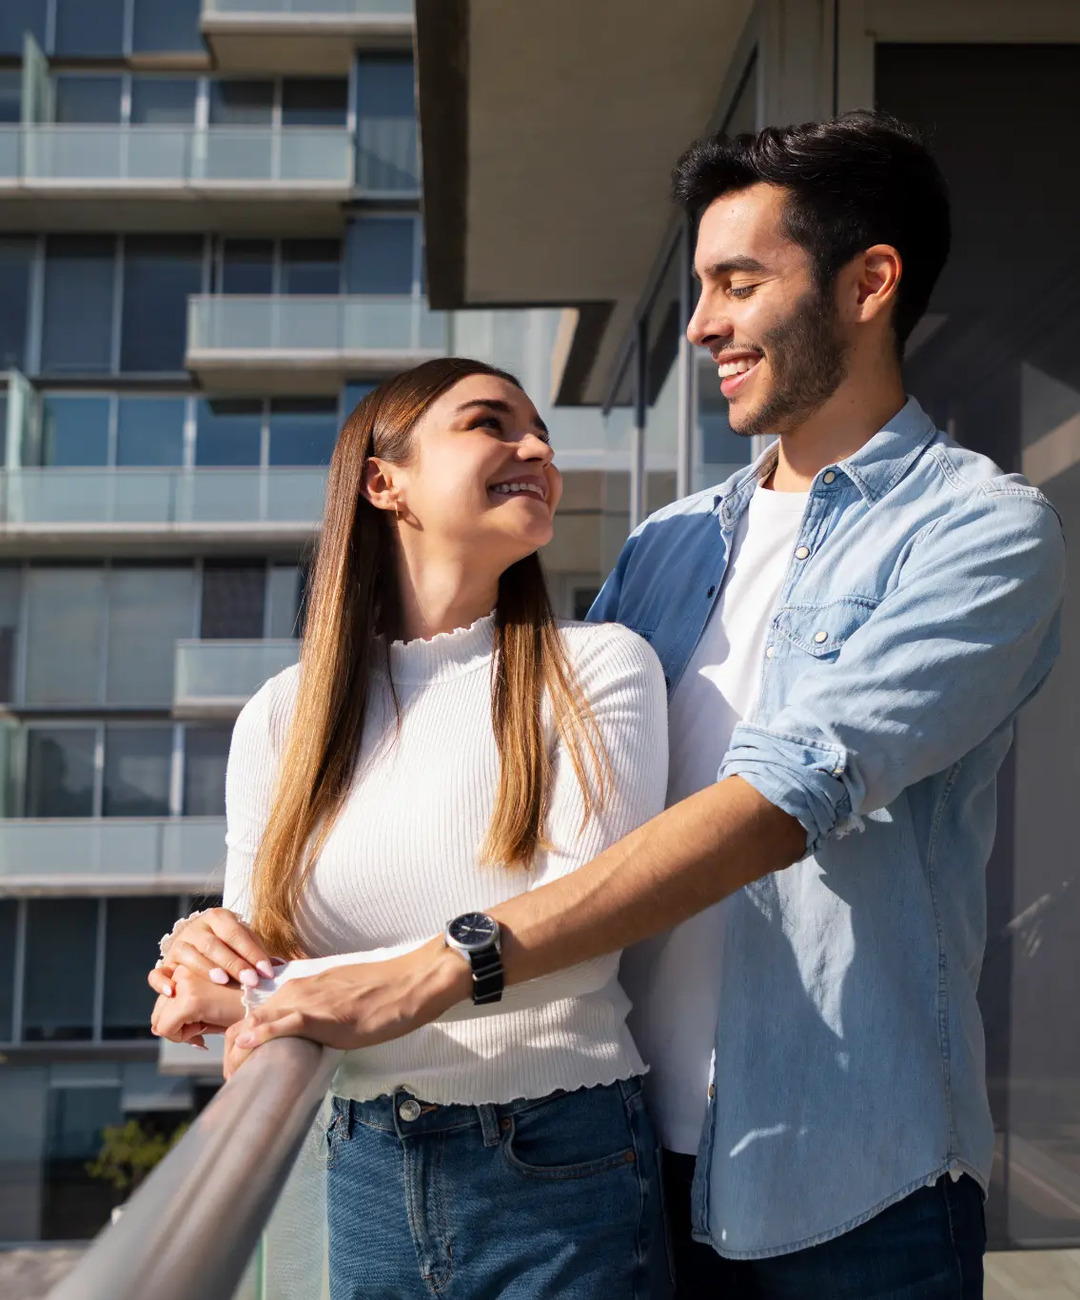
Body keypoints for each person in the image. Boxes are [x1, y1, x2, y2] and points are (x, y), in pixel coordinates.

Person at [170, 113, 1065, 1298]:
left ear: (869, 282)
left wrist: (435, 968)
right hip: (615, 1162)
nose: (700, 325)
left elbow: (785, 798)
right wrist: (242, 942)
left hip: (851, 1183)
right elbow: (509, 794)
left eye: (738, 284)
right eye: (698, 287)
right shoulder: (670, 542)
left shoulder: (982, 530)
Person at [148, 357, 672, 1299]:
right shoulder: (283, 717)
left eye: (540, 430)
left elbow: (587, 938)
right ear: (384, 482)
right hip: (364, 1160)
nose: (538, 448)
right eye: (490, 423)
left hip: (560, 1165)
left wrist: (263, 991)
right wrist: (204, 954)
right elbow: (252, 967)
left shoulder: (597, 668)